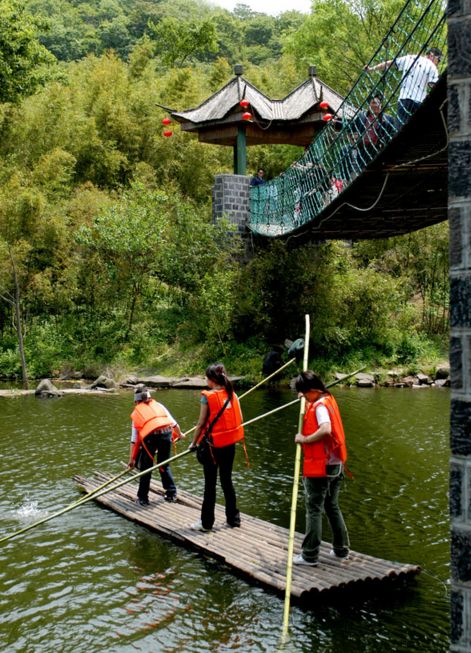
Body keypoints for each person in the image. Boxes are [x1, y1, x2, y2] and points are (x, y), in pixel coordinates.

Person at [293, 371, 350, 566]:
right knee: (331, 506)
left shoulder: (319, 406)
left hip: (321, 467)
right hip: (336, 465)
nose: (305, 397)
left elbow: (325, 428)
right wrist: (306, 399)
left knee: (314, 509)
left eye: (304, 393)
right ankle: (341, 550)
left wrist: (304, 439)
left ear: (312, 390)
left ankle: (309, 555)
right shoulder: (327, 399)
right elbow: (316, 406)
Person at [189, 363, 244, 532]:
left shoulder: (208, 396)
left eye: (206, 377)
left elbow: (200, 423)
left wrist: (193, 443)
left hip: (212, 446)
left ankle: (206, 523)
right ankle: (233, 519)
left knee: (210, 484)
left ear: (212, 380)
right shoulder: (232, 394)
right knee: (227, 481)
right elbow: (240, 417)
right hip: (230, 444)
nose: (205, 380)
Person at [128, 384, 183, 505]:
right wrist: (180, 434)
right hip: (166, 435)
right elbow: (174, 424)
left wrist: (131, 460)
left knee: (146, 468)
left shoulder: (137, 413)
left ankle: (143, 498)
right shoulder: (159, 405)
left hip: (150, 438)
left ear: (136, 401)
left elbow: (134, 439)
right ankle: (171, 493)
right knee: (164, 464)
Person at [364, 47, 441, 126]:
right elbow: (433, 86)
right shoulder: (432, 67)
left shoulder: (409, 58)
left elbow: (390, 63)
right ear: (432, 56)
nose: (437, 64)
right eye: (438, 61)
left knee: (399, 129)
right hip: (419, 103)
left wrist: (372, 69)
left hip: (404, 101)